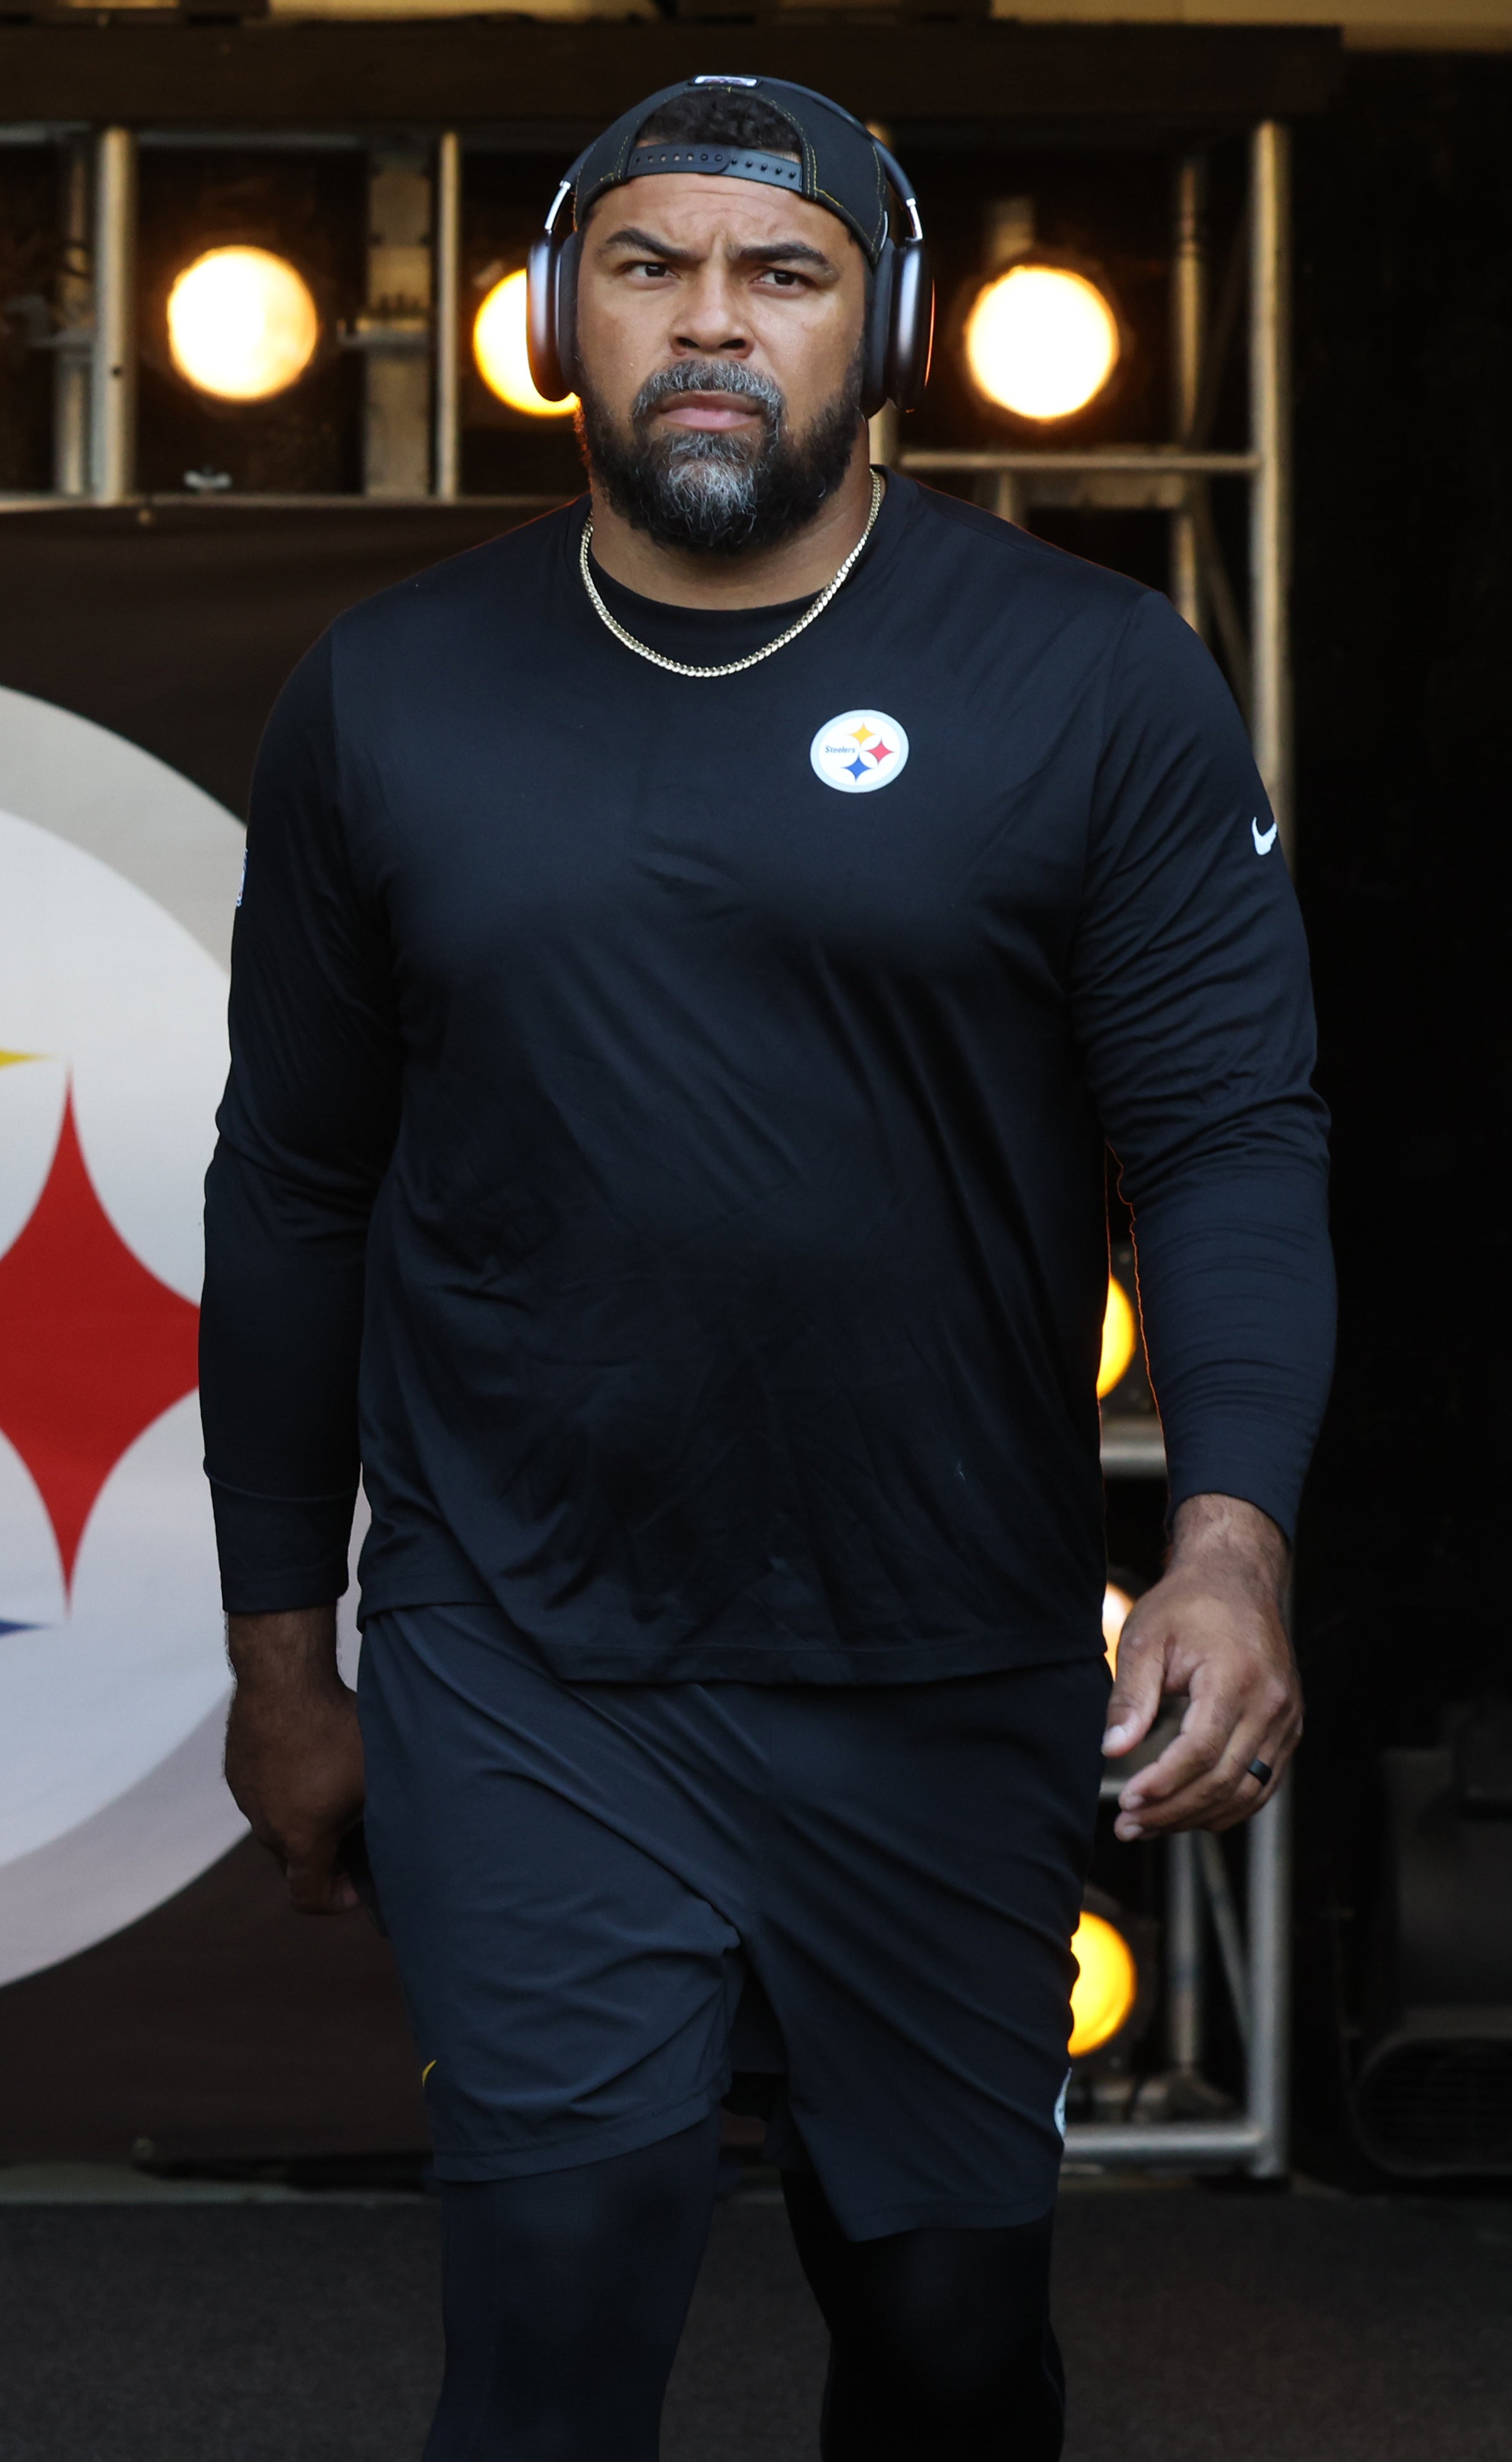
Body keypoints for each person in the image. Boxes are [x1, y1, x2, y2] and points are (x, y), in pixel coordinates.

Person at [201, 73, 1331, 2461]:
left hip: (945, 1659)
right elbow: (292, 1185)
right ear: (551, 320)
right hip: (530, 1651)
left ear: (887, 328)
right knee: (562, 2288)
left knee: (940, 2342)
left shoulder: (1093, 681)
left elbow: (1226, 1135)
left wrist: (1226, 1545)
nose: (711, 322)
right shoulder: (387, 696)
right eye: (650, 265)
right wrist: (285, 1657)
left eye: (782, 273)